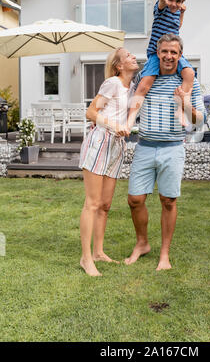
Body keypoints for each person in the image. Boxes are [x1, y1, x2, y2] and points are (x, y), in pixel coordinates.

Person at [125, 34, 205, 271]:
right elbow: (129, 100)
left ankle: (164, 255)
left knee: (168, 201)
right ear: (157, 54)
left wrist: (185, 102)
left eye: (174, 52)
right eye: (164, 52)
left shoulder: (189, 82)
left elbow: (199, 121)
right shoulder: (145, 78)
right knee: (135, 199)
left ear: (180, 56)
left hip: (172, 148)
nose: (169, 56)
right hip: (145, 147)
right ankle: (142, 244)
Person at [79, 48, 138, 276]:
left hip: (116, 146)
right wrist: (114, 126)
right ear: (118, 66)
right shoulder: (112, 83)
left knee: (105, 205)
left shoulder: (130, 87)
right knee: (92, 203)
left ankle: (98, 252)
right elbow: (90, 112)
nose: (133, 57)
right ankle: (86, 258)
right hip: (100, 142)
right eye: (128, 56)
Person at [127, 0, 195, 129]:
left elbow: (178, 25)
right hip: (155, 54)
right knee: (145, 84)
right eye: (172, 0)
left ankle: (181, 110)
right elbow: (162, 4)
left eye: (179, 1)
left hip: (174, 52)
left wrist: (182, 13)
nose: (174, 4)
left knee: (189, 72)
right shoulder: (161, 9)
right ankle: (131, 118)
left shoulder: (177, 11)